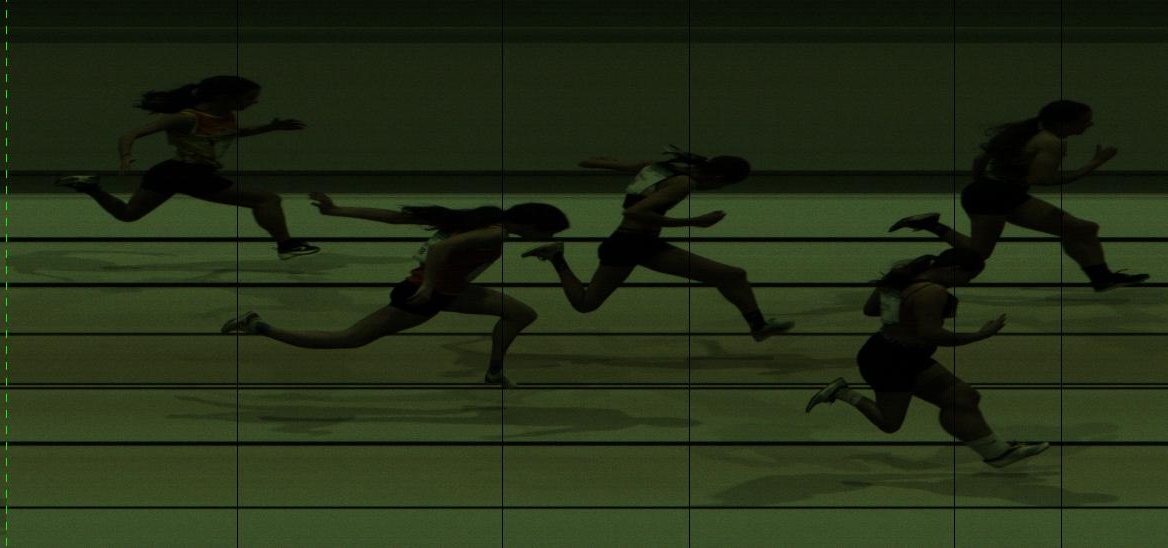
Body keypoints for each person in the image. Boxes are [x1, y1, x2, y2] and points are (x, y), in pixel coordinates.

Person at [222, 194, 571, 387]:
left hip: (452, 290)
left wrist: (338, 211)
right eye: (548, 232)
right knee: (349, 339)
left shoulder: (484, 217)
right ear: (530, 225)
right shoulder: (494, 233)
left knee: (521, 314)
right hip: (425, 293)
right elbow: (440, 250)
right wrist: (429, 285)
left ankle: (494, 372)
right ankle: (258, 326)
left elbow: (397, 217)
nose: (549, 237)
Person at [806, 249, 1049, 468]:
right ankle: (842, 392)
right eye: (969, 277)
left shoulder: (902, 277)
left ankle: (997, 453)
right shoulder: (932, 292)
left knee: (963, 397)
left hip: (894, 352)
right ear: (954, 270)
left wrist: (900, 312)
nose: (967, 283)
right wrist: (980, 335)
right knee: (889, 423)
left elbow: (870, 309)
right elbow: (931, 334)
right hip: (892, 361)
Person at [521, 146, 793, 341]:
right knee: (585, 303)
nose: (718, 190)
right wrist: (695, 222)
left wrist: (598, 162)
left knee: (732, 275)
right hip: (627, 245)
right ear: (718, 178)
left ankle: (758, 326)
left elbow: (595, 164)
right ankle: (556, 256)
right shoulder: (683, 183)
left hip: (645, 244)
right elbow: (634, 213)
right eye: (723, 186)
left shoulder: (659, 167)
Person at [889, 100, 1147, 291]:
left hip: (996, 193)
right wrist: (1094, 164)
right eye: (1084, 121)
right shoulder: (1051, 141)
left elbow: (980, 159)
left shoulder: (1026, 132)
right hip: (996, 196)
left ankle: (1102, 278)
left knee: (1083, 229)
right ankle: (922, 256)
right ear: (1064, 123)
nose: (1089, 125)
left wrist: (981, 184)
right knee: (977, 256)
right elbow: (1041, 179)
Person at [56, 75, 319, 260]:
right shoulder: (186, 118)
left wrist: (270, 128)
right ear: (225, 97)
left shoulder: (224, 115)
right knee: (267, 199)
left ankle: (91, 188)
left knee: (127, 215)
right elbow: (129, 134)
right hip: (188, 173)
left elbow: (234, 132)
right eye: (250, 98)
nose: (255, 102)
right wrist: (126, 157)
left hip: (170, 172)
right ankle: (286, 245)